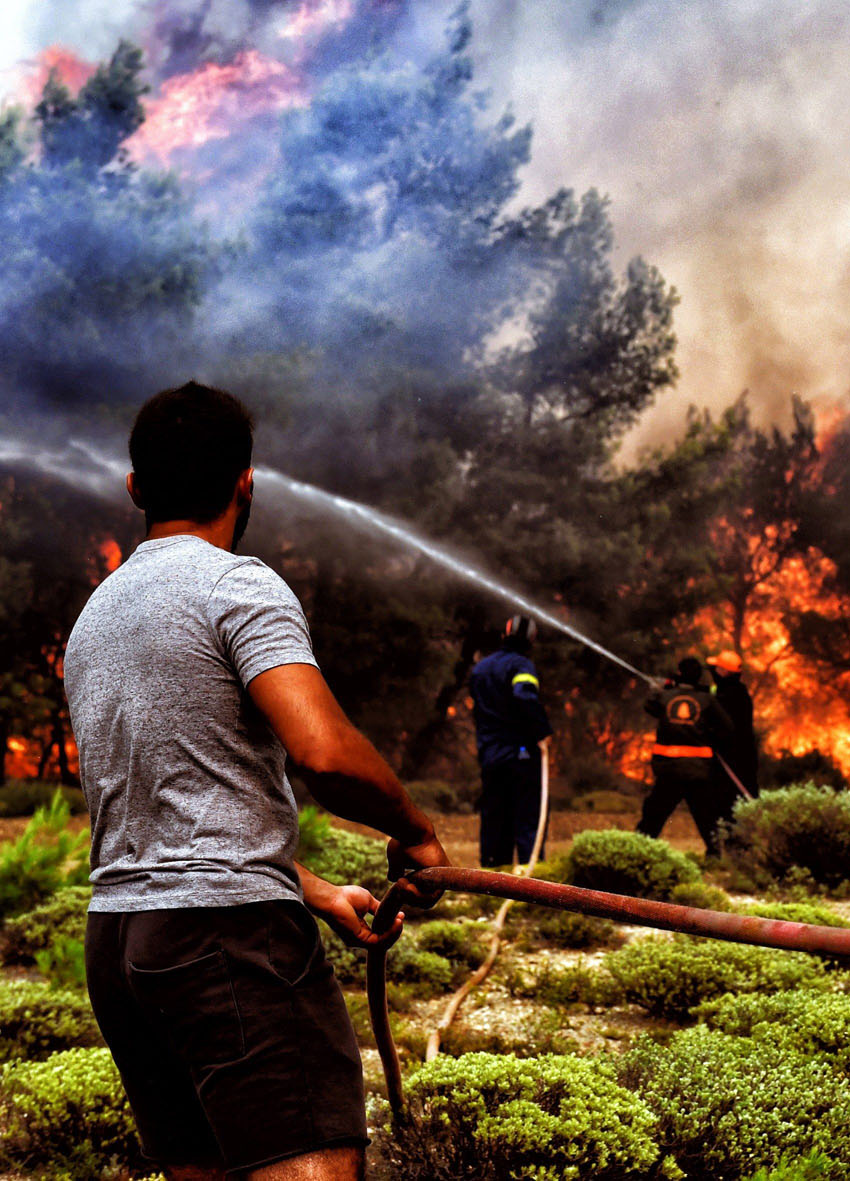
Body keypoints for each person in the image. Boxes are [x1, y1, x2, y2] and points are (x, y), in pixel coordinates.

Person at [61, 382, 450, 1181]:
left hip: (122, 946)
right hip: (226, 943)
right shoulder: (236, 584)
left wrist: (311, 887)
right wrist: (414, 831)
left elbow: (170, 810)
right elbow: (324, 752)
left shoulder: (95, 617)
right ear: (246, 480)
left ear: (136, 487)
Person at [467, 615, 553, 866]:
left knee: (495, 816)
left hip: (490, 754)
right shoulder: (522, 666)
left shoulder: (481, 668)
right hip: (521, 753)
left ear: (504, 636)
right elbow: (524, 696)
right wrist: (542, 731)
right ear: (531, 642)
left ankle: (493, 879)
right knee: (528, 817)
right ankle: (532, 882)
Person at [638, 656, 734, 852]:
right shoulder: (707, 700)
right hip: (698, 771)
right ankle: (715, 856)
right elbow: (727, 728)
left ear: (679, 673)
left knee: (654, 815)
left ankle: (639, 851)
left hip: (668, 770)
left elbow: (650, 707)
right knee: (706, 816)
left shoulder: (666, 697)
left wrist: (657, 690)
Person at [709, 650, 759, 798]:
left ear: (724, 671)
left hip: (731, 756)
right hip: (738, 754)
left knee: (733, 796)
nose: (714, 671)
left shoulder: (731, 695)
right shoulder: (735, 691)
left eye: (717, 668)